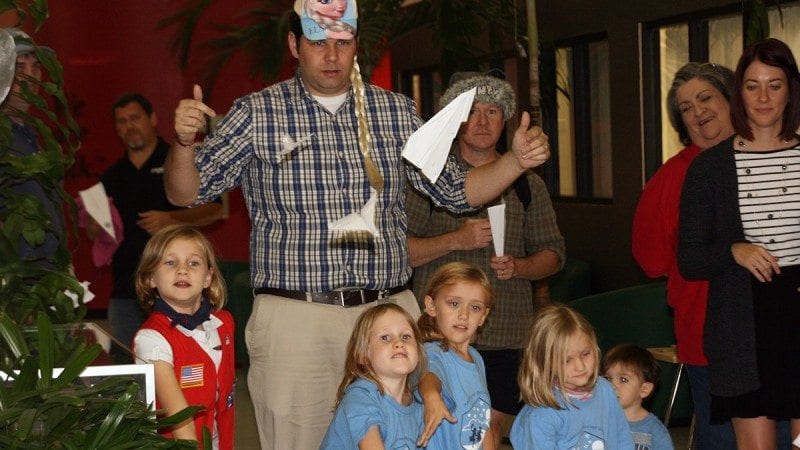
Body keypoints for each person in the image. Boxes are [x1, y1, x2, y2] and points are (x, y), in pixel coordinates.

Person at [165, 0, 549, 448]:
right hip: (297, 318)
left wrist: (515, 163)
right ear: (294, 44)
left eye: (343, 43)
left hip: (388, 314)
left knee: (409, 440)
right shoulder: (257, 114)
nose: (332, 56)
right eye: (318, 43)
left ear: (356, 46)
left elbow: (457, 189)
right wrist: (183, 143)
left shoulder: (397, 113)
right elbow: (185, 193)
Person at [406, 72, 565, 447]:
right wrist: (453, 240)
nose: (481, 121)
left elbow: (554, 254)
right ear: (456, 119)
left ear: (505, 120)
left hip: (506, 337)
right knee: (438, 429)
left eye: (492, 111)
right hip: (437, 338)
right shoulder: (427, 177)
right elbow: (400, 252)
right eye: (472, 111)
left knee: (487, 431)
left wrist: (520, 266)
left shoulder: (527, 183)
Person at [678, 37, 800, 449]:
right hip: (740, 324)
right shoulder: (709, 168)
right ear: (739, 94)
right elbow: (689, 259)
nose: (763, 97)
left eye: (775, 84)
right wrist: (734, 250)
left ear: (791, 90)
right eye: (752, 85)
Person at [631, 62, 738, 449]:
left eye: (706, 98)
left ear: (732, 99)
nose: (698, 111)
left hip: (773, 330)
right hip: (705, 332)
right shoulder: (670, 178)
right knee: (720, 437)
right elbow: (651, 259)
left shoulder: (770, 158)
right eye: (686, 107)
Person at [88, 93, 223, 349]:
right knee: (126, 367)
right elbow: (97, 233)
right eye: (122, 121)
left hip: (177, 289)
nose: (130, 126)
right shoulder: (112, 176)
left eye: (135, 118)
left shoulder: (176, 159)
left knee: (180, 364)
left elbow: (214, 209)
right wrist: (97, 228)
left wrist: (171, 219)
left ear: (152, 119)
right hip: (125, 289)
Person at [133, 225, 234, 449]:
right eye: (170, 262)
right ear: (151, 278)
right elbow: (179, 418)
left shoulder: (224, 324)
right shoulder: (151, 338)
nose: (182, 270)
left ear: (208, 278)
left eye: (194, 263)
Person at [510, 304, 633, 448]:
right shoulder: (543, 414)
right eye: (567, 360)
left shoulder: (605, 390)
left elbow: (622, 438)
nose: (580, 366)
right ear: (545, 363)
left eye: (585, 354)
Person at [320, 303, 426, 449]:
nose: (399, 343)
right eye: (385, 337)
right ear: (363, 355)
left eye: (406, 336)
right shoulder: (360, 397)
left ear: (419, 352)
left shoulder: (418, 404)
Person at [1, 29, 64, 270]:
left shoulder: (41, 139)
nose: (30, 75)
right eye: (19, 67)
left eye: (36, 67)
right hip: (12, 286)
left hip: (48, 280)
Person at [415, 262, 495, 449]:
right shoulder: (432, 352)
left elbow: (484, 419)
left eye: (475, 308)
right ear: (431, 306)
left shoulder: (476, 358)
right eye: (454, 304)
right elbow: (428, 376)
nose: (463, 315)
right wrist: (432, 396)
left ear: (483, 316)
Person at [602, 344, 674, 450]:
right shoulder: (597, 420)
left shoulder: (654, 430)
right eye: (608, 379)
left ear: (644, 389)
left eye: (623, 379)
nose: (612, 386)